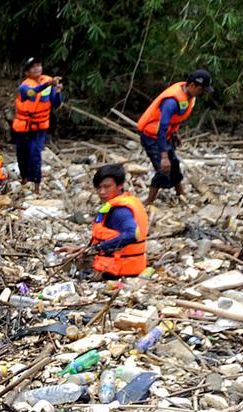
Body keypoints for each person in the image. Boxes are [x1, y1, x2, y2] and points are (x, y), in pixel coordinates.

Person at [135, 69, 213, 206]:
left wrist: (175, 134)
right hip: (152, 137)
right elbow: (162, 128)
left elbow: (174, 120)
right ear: (193, 86)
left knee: (174, 164)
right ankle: (148, 201)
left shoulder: (188, 97)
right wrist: (164, 156)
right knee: (163, 168)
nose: (202, 93)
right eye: (201, 90)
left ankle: (180, 192)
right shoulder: (171, 101)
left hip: (165, 135)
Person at [58, 164, 149, 278]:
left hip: (119, 271)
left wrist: (98, 248)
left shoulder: (120, 211)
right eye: (99, 187)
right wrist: (84, 249)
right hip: (127, 266)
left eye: (107, 187)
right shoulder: (122, 203)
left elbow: (132, 234)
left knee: (67, 269)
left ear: (120, 185)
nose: (102, 192)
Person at [11, 58, 63, 193]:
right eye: (33, 67)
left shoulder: (49, 81)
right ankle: (24, 178)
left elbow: (56, 104)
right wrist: (49, 84)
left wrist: (58, 92)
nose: (37, 68)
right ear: (27, 72)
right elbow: (32, 93)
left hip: (40, 127)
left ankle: (36, 185)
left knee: (35, 154)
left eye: (39, 65)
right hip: (23, 127)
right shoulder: (24, 87)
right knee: (22, 154)